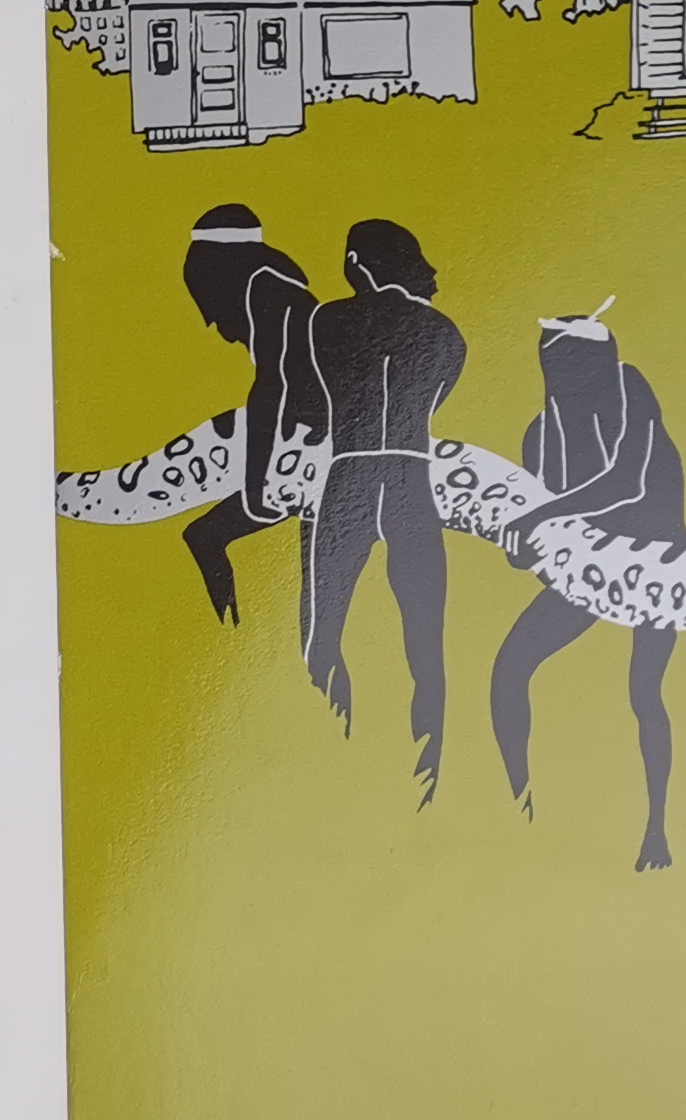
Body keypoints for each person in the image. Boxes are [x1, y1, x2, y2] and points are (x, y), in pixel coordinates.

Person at [487, 301, 686, 871]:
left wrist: (538, 519)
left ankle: (657, 831)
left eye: (581, 363)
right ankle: (518, 807)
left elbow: (627, 483)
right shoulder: (541, 433)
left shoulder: (631, 393)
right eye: (557, 366)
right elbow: (542, 539)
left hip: (657, 565)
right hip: (589, 570)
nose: (568, 377)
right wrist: (524, 548)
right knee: (509, 671)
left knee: (644, 691)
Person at [301, 218, 466, 802]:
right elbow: (436, 396)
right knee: (425, 634)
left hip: (347, 471)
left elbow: (322, 392)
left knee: (323, 624)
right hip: (409, 477)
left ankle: (323, 747)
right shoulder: (443, 332)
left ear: (356, 262)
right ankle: (429, 770)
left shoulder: (327, 320)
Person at [173, 203, 325, 625]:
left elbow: (273, 385)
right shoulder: (276, 289)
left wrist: (256, 480)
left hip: (319, 436)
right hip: (308, 432)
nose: (216, 325)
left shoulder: (267, 290)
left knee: (316, 566)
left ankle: (239, 631)